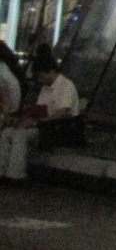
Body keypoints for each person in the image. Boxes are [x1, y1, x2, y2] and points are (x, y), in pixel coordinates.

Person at [0, 51, 80, 181]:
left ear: (51, 71)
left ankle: (15, 174)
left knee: (20, 135)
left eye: (41, 75)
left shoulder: (67, 86)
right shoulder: (45, 88)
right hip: (45, 125)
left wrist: (37, 122)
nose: (39, 79)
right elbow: (40, 110)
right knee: (7, 133)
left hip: (60, 128)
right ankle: (3, 171)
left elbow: (62, 113)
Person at [0, 42, 23, 124]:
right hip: (16, 105)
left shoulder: (2, 68)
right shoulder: (9, 65)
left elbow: (4, 95)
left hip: (9, 108)